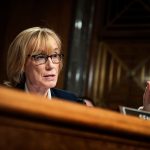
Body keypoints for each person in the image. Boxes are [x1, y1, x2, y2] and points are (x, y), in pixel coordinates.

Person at [4, 27, 85, 105]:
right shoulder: (6, 100)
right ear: (21, 63)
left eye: (54, 55)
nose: (51, 65)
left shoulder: (72, 103)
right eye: (40, 57)